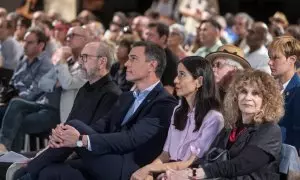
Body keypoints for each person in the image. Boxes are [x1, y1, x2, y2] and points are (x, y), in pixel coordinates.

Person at [16, 41, 177, 180]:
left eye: (133, 59)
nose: (127, 64)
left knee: (75, 126)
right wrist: (65, 134)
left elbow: (130, 139)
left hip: (128, 169)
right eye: (128, 58)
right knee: (50, 172)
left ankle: (23, 172)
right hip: (105, 160)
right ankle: (30, 170)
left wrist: (80, 140)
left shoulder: (164, 102)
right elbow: (102, 125)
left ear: (152, 65)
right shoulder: (127, 97)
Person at [165, 69, 284, 179]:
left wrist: (194, 174)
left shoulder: (270, 130)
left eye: (256, 93)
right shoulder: (231, 127)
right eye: (243, 91)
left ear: (267, 100)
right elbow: (209, 158)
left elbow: (241, 164)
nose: (248, 97)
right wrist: (180, 173)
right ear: (236, 97)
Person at [131, 56, 224, 180]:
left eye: (182, 75)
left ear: (199, 81)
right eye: (177, 74)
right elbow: (165, 154)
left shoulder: (214, 118)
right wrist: (148, 172)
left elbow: (191, 163)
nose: (175, 80)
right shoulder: (178, 110)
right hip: (168, 171)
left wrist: (149, 169)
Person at [268, 35, 300, 153]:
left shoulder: (298, 91)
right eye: (269, 57)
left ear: (291, 59)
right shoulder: (270, 87)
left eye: (275, 58)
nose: (269, 62)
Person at [145, 22, 179, 95]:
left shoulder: (171, 61)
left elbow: (168, 91)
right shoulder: (146, 56)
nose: (147, 38)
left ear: (163, 38)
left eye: (151, 35)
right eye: (147, 34)